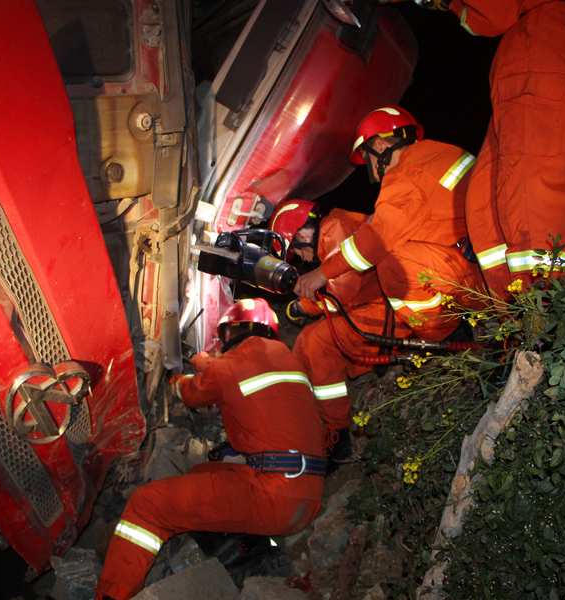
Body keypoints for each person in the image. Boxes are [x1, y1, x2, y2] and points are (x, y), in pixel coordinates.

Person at [95, 298, 325, 600]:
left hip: (273, 498)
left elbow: (191, 392)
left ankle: (111, 595)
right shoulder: (287, 359)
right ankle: (244, 548)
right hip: (307, 498)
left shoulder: (229, 367)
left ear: (231, 333)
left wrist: (174, 380)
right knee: (203, 472)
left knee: (147, 505)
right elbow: (227, 371)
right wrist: (201, 359)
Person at [293, 106, 486, 433]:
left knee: (395, 264)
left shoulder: (408, 175)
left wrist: (317, 278)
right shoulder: (439, 155)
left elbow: (373, 245)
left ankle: (443, 337)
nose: (370, 168)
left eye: (367, 157)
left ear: (380, 146)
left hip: (469, 275)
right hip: (474, 262)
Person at [426, 0, 565, 298]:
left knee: (527, 186)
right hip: (545, 44)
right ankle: (512, 309)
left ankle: (542, 313)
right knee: (486, 200)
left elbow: (490, 13)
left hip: (547, 41)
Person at [269, 199, 382, 325]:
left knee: (317, 340)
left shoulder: (334, 230)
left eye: (295, 251)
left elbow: (341, 293)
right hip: (378, 296)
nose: (301, 258)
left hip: (385, 301)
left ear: (301, 235)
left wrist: (302, 307)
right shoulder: (330, 232)